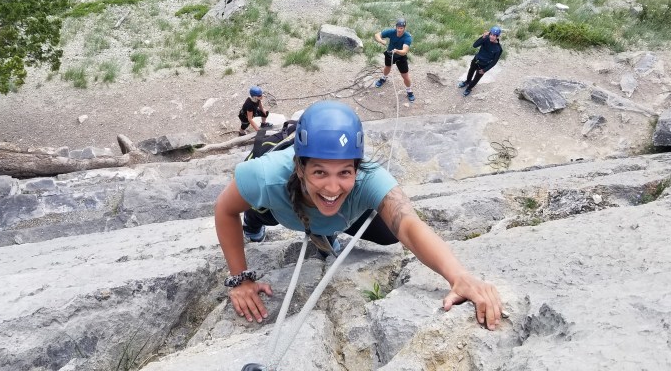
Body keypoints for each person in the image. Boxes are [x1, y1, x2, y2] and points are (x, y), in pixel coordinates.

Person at [215, 100, 503, 329]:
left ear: (357, 167)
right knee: (258, 213)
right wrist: (240, 278)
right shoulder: (265, 177)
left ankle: (323, 231)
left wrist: (459, 277)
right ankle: (256, 226)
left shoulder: (369, 178)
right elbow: (225, 210)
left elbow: (408, 225)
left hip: (328, 216)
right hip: (281, 209)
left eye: (345, 172)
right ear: (299, 167)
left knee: (389, 234)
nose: (332, 186)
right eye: (319, 172)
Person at [374, 18, 415, 102]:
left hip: (400, 57)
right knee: (387, 67)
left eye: (401, 28)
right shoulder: (391, 32)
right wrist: (381, 40)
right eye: (398, 28)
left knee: (405, 76)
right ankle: (383, 78)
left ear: (404, 28)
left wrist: (397, 51)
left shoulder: (407, 37)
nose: (399, 30)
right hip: (390, 54)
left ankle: (409, 90)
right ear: (396, 27)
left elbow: (404, 51)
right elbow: (377, 35)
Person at [459, 26, 503, 97]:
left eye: (494, 36)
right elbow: (474, 45)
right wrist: (482, 37)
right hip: (476, 60)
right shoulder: (485, 39)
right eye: (491, 34)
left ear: (497, 36)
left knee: (476, 78)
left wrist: (484, 70)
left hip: (483, 65)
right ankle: (467, 82)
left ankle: (469, 88)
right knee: (470, 72)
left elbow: (494, 62)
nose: (492, 37)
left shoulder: (498, 49)